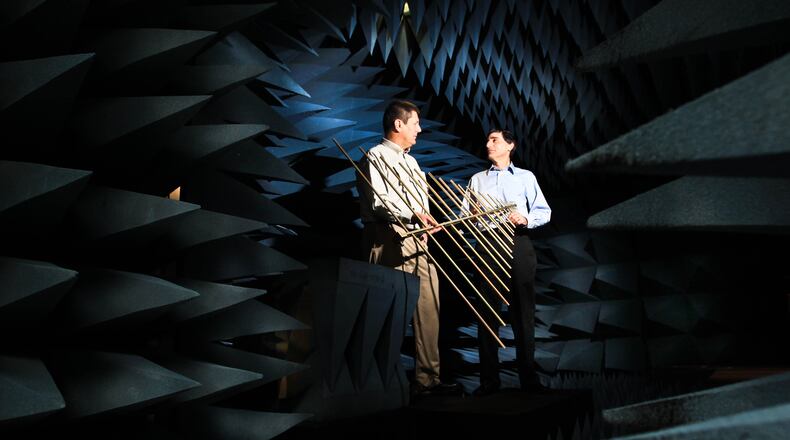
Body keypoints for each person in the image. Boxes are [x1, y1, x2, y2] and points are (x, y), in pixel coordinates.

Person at [357, 100, 459, 396]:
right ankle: (382, 383)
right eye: (415, 123)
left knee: (429, 308)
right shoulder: (374, 156)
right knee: (390, 311)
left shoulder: (412, 162)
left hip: (418, 239)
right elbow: (379, 203)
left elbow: (421, 204)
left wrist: (424, 223)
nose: (420, 128)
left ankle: (428, 379)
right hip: (387, 236)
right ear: (398, 125)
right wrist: (412, 215)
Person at [466, 129, 551, 396]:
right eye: (488, 139)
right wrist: (473, 217)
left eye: (495, 140)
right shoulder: (477, 179)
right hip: (489, 244)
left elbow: (543, 211)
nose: (488, 144)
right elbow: (465, 216)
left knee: (523, 313)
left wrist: (526, 219)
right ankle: (489, 382)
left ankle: (529, 379)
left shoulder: (526, 177)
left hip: (518, 243)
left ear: (510, 145)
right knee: (487, 313)